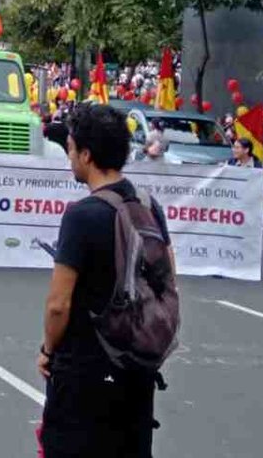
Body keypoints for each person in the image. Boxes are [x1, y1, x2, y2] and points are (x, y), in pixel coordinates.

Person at [39, 103, 175, 457]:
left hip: (85, 370)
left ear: (86, 154)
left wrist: (47, 350)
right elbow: (168, 276)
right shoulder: (147, 204)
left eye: (70, 149)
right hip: (136, 367)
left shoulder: (82, 216)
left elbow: (58, 304)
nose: (69, 157)